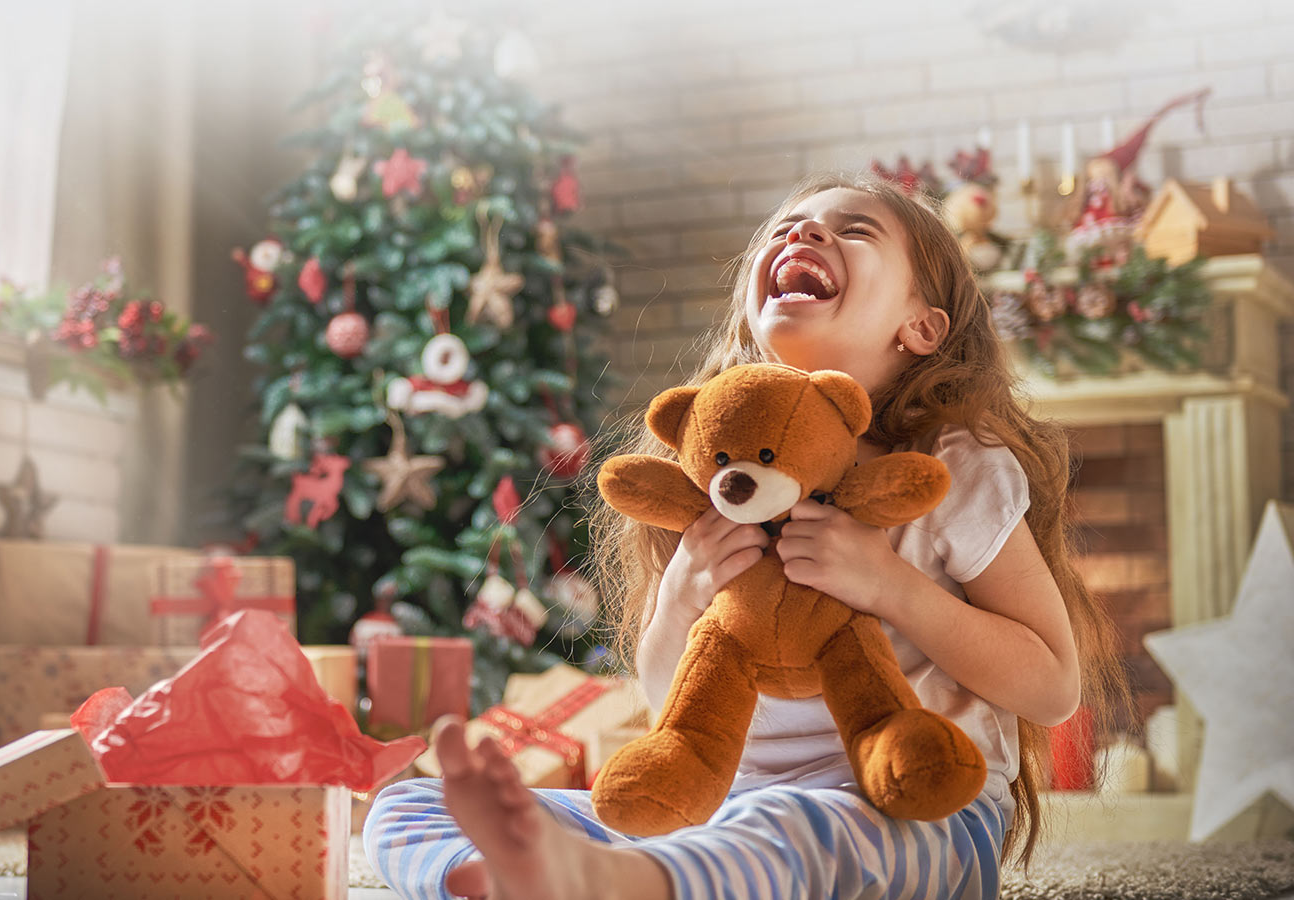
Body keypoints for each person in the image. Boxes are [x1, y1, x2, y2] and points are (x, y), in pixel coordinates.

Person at [363, 172, 1131, 900]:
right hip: (728, 810)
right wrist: (680, 596)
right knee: (404, 809)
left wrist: (888, 584)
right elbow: (673, 699)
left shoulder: (949, 467)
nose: (804, 231)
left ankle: (617, 884)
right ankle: (508, 876)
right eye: (788, 227)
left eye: (853, 229)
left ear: (921, 327)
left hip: (910, 813)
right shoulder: (714, 482)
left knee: (783, 829)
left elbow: (1052, 686)